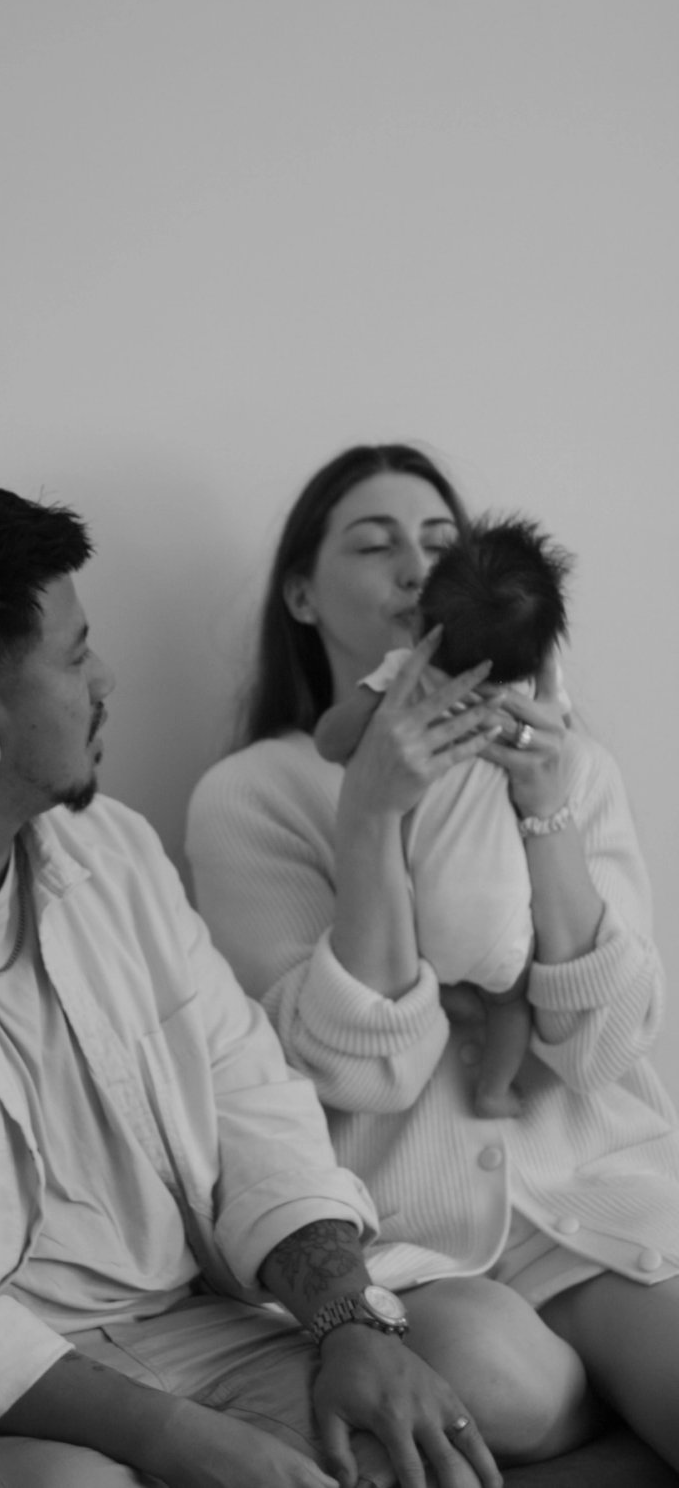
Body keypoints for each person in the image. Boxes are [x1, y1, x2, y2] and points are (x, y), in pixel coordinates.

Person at [0, 480, 510, 1488]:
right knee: (82, 1486)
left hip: (180, 1322)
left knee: (494, 1371)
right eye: (75, 657)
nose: (106, 679)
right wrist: (177, 1440)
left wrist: (348, 1321)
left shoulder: (110, 849)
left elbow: (251, 1098)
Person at [186, 442, 679, 1472]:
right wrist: (370, 815)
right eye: (376, 545)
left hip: (596, 1192)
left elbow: (603, 1052)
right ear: (302, 595)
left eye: (439, 541)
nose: (415, 568)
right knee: (496, 1382)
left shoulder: (571, 759)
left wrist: (545, 809)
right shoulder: (250, 795)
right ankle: (601, 1412)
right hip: (416, 1236)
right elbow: (354, 1075)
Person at [311, 513, 574, 1119]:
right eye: (376, 545)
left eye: (435, 544)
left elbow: (328, 741)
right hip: (500, 920)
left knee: (436, 989)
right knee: (510, 1002)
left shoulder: (401, 678)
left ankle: (444, 1011)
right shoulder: (535, 709)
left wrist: (375, 714)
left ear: (420, 624)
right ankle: (493, 1089)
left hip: (411, 924)